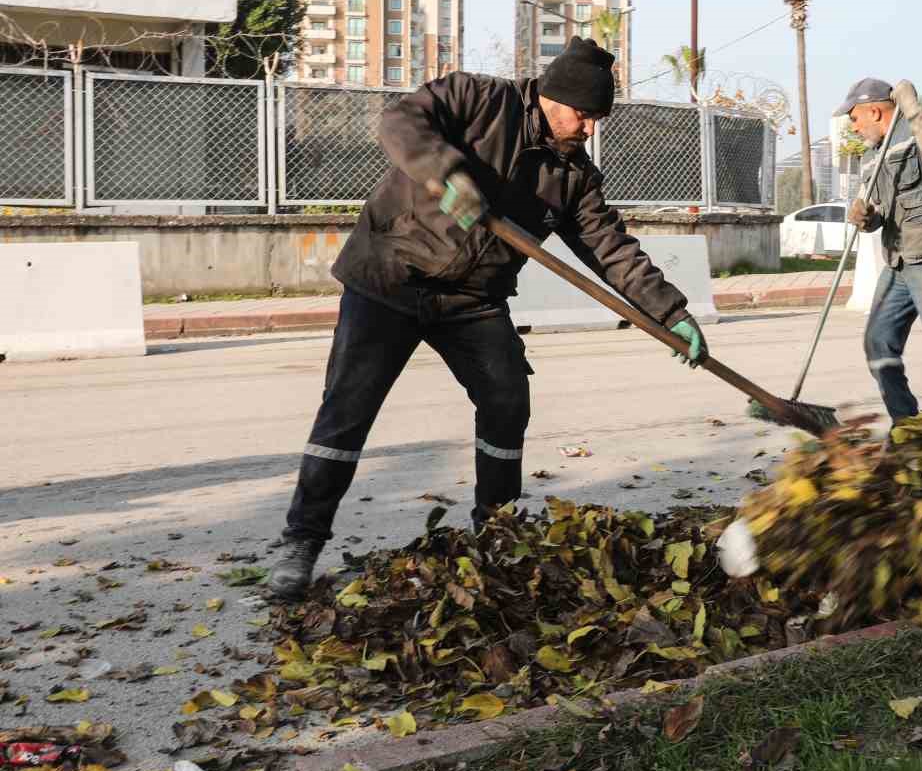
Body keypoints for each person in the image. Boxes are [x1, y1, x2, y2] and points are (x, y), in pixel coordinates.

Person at [266, 37, 708, 599]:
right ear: (553, 97)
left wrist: (670, 312)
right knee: (347, 411)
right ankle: (301, 541)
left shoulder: (573, 176)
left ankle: (495, 532)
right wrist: (444, 171)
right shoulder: (476, 98)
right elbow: (401, 120)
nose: (590, 129)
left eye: (598, 119)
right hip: (389, 278)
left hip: (472, 300)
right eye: (585, 115)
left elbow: (612, 249)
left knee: (506, 401)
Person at [839, 77, 922, 437]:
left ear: (874, 110)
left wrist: (913, 107)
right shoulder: (871, 156)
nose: (853, 126)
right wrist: (866, 218)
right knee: (878, 341)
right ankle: (909, 426)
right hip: (899, 263)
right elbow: (880, 210)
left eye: (854, 118)